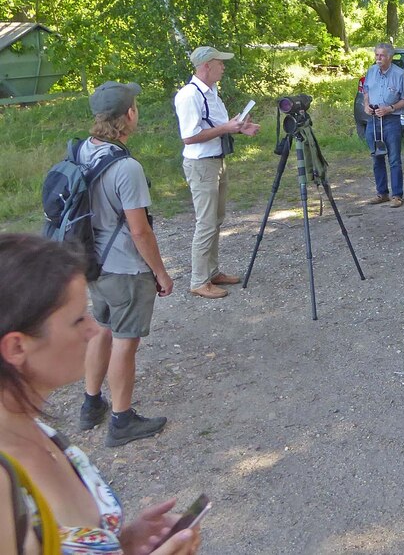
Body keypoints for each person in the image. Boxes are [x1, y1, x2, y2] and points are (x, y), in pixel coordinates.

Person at [0, 234, 202, 555]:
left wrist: (121, 543)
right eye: (78, 319)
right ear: (16, 347)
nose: (93, 330)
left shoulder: (38, 430)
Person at [79, 81, 173, 448]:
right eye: (135, 106)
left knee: (102, 328)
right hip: (125, 268)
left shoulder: (85, 150)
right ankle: (121, 419)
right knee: (124, 341)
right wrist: (160, 273)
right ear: (128, 115)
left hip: (93, 263)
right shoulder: (126, 167)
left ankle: (91, 405)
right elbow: (139, 230)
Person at [173, 46, 260, 300]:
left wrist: (240, 127)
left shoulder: (211, 92)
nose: (224, 66)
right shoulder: (189, 95)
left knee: (217, 219)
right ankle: (199, 280)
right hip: (201, 165)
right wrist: (227, 128)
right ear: (206, 66)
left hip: (216, 160)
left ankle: (212, 271)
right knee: (206, 222)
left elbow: (218, 126)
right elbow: (189, 137)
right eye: (220, 62)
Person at [358, 42, 404, 208]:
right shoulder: (371, 71)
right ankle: (382, 193)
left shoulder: (399, 74)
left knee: (394, 158)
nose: (378, 58)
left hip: (391, 121)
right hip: (373, 121)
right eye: (376, 55)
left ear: (389, 57)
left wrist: (390, 108)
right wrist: (366, 105)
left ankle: (397, 195)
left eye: (381, 55)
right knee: (376, 157)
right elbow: (366, 90)